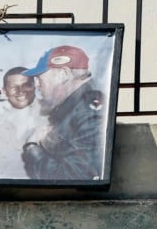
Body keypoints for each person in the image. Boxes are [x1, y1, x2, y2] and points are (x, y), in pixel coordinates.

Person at [20, 45, 107, 181]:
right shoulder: (74, 107)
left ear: (64, 74)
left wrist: (32, 148)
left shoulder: (89, 114)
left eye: (39, 77)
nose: (36, 85)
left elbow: (74, 177)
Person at [0, 68, 47, 179]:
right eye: (14, 87)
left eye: (26, 85)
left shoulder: (48, 114)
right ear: (5, 91)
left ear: (34, 86)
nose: (21, 91)